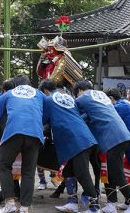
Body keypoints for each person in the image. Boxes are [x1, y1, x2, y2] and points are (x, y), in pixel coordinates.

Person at [74, 80, 130, 213]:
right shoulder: (101, 95)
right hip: (120, 135)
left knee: (117, 174)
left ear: (80, 90)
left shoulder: (83, 98)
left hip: (113, 138)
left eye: (76, 93)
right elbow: (92, 115)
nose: (76, 96)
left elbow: (73, 112)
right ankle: (111, 204)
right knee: (110, 173)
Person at [41, 79, 99, 213]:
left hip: (73, 140)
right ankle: (72, 202)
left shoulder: (48, 100)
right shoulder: (70, 97)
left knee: (82, 173)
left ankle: (94, 207)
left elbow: (43, 120)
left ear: (45, 91)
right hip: (84, 136)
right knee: (68, 171)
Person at [0, 75, 46, 213]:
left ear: (15, 85)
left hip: (13, 132)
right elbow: (46, 115)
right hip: (35, 134)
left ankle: (10, 203)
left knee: (3, 166)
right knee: (28, 171)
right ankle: (25, 207)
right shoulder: (39, 94)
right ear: (30, 84)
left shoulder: (8, 94)